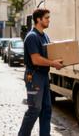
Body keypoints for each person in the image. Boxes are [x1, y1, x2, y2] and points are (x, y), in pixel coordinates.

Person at [17, 8, 64, 136]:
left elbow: (48, 55)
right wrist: (53, 63)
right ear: (38, 19)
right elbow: (36, 59)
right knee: (34, 109)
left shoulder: (45, 36)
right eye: (47, 18)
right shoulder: (32, 37)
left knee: (46, 109)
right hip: (34, 76)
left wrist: (58, 59)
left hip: (43, 76)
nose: (49, 20)